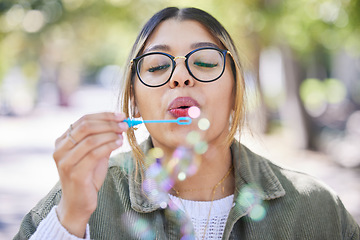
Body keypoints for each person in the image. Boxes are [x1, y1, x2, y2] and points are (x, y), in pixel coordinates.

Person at [14, 7, 359, 240]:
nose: (179, 76)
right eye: (157, 67)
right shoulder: (76, 199)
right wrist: (71, 218)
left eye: (205, 63)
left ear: (236, 89)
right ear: (133, 98)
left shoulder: (316, 209)